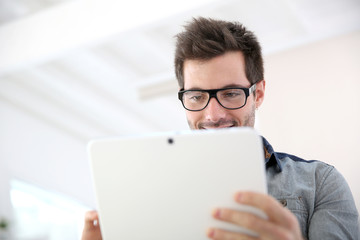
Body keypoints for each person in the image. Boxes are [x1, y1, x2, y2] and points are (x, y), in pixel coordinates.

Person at [81, 17, 359, 240]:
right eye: (197, 96)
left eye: (230, 93)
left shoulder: (319, 183)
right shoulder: (142, 196)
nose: (213, 115)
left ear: (258, 93)